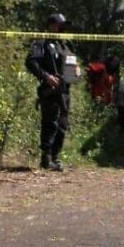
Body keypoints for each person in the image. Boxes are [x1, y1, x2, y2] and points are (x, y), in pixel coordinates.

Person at [25, 13, 79, 172]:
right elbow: (31, 62)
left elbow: (72, 63)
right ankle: (46, 158)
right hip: (50, 91)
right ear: (51, 25)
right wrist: (46, 76)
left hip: (64, 91)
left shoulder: (65, 45)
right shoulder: (41, 43)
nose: (63, 28)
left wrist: (76, 70)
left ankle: (55, 158)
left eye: (64, 25)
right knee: (50, 124)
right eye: (60, 24)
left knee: (62, 125)